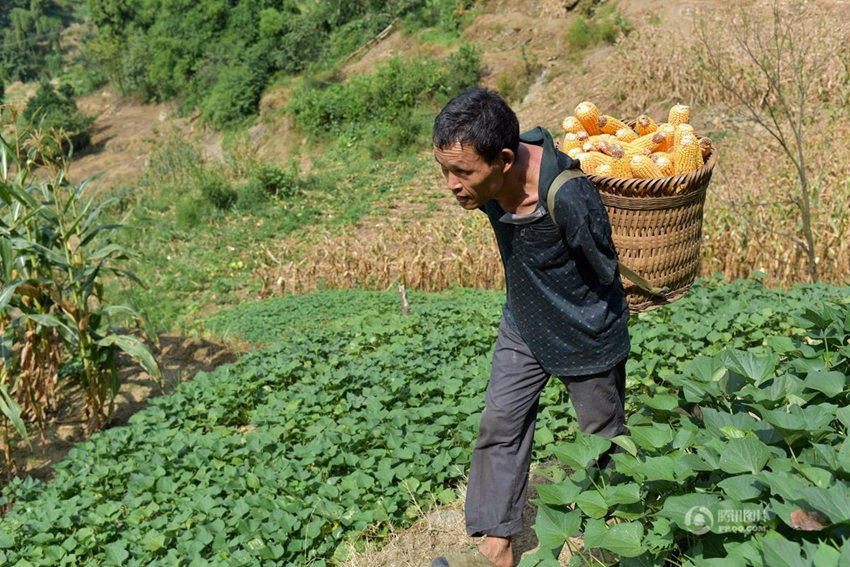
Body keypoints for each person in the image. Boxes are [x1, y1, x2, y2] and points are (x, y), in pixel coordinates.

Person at [429, 87, 630, 567]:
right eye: (445, 171)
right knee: (500, 423)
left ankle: (617, 537)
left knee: (601, 436)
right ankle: (496, 545)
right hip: (523, 319)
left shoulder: (569, 195)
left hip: (584, 327)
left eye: (462, 172)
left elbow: (603, 268)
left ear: (503, 159)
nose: (452, 185)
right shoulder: (485, 185)